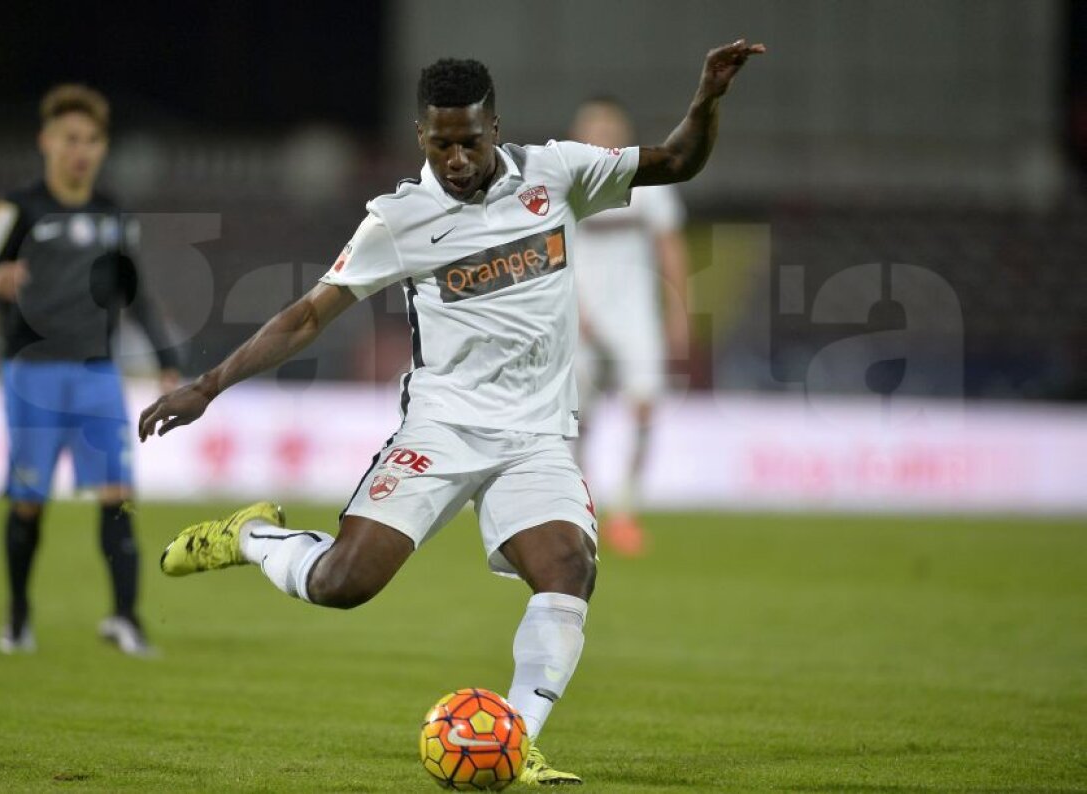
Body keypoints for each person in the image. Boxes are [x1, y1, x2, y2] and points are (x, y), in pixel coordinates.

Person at [139, 41, 764, 784]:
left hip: (535, 436)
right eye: (441, 145)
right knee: (344, 583)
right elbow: (307, 316)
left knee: (568, 569)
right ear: (421, 136)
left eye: (470, 141)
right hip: (443, 429)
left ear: (495, 127)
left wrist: (707, 99)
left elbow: (677, 162)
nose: (457, 159)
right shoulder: (401, 219)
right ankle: (252, 536)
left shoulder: (557, 173)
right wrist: (208, 386)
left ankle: (516, 741)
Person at [0, 84, 180, 657]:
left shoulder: (111, 214)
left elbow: (135, 292)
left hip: (98, 374)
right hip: (31, 373)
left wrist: (166, 359)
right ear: (46, 142)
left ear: (103, 147)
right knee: (29, 500)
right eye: (70, 139)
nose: (80, 150)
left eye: (91, 140)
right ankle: (18, 615)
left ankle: (125, 618)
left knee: (118, 495)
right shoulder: (18, 208)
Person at [569, 97, 692, 557]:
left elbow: (670, 248)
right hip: (578, 315)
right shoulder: (566, 185)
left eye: (609, 125)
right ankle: (582, 507)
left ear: (624, 132)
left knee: (644, 406)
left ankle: (626, 510)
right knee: (577, 418)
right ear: (579, 134)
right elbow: (549, 253)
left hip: (636, 315)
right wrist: (568, 307)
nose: (602, 133)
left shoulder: (649, 185)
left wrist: (679, 310)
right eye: (593, 125)